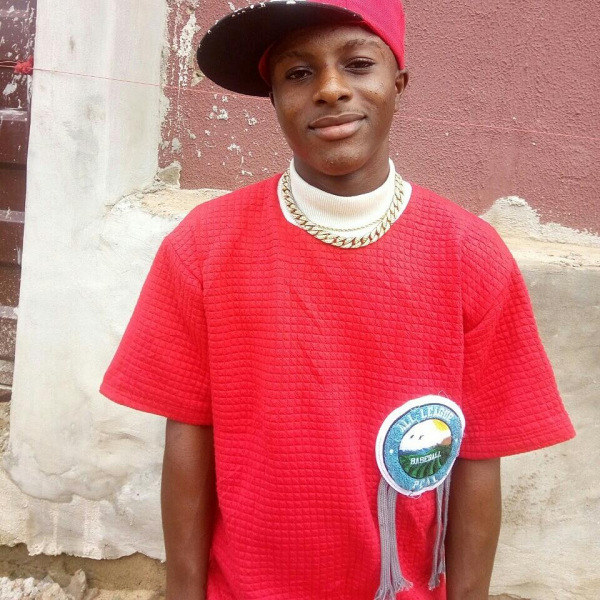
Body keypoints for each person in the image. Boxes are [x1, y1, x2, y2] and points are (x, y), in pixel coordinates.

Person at [101, 1, 575, 599]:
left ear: (398, 83)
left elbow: (479, 456)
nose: (330, 89)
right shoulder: (204, 245)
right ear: (274, 99)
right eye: (298, 73)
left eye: (357, 64)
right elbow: (188, 434)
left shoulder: (470, 254)